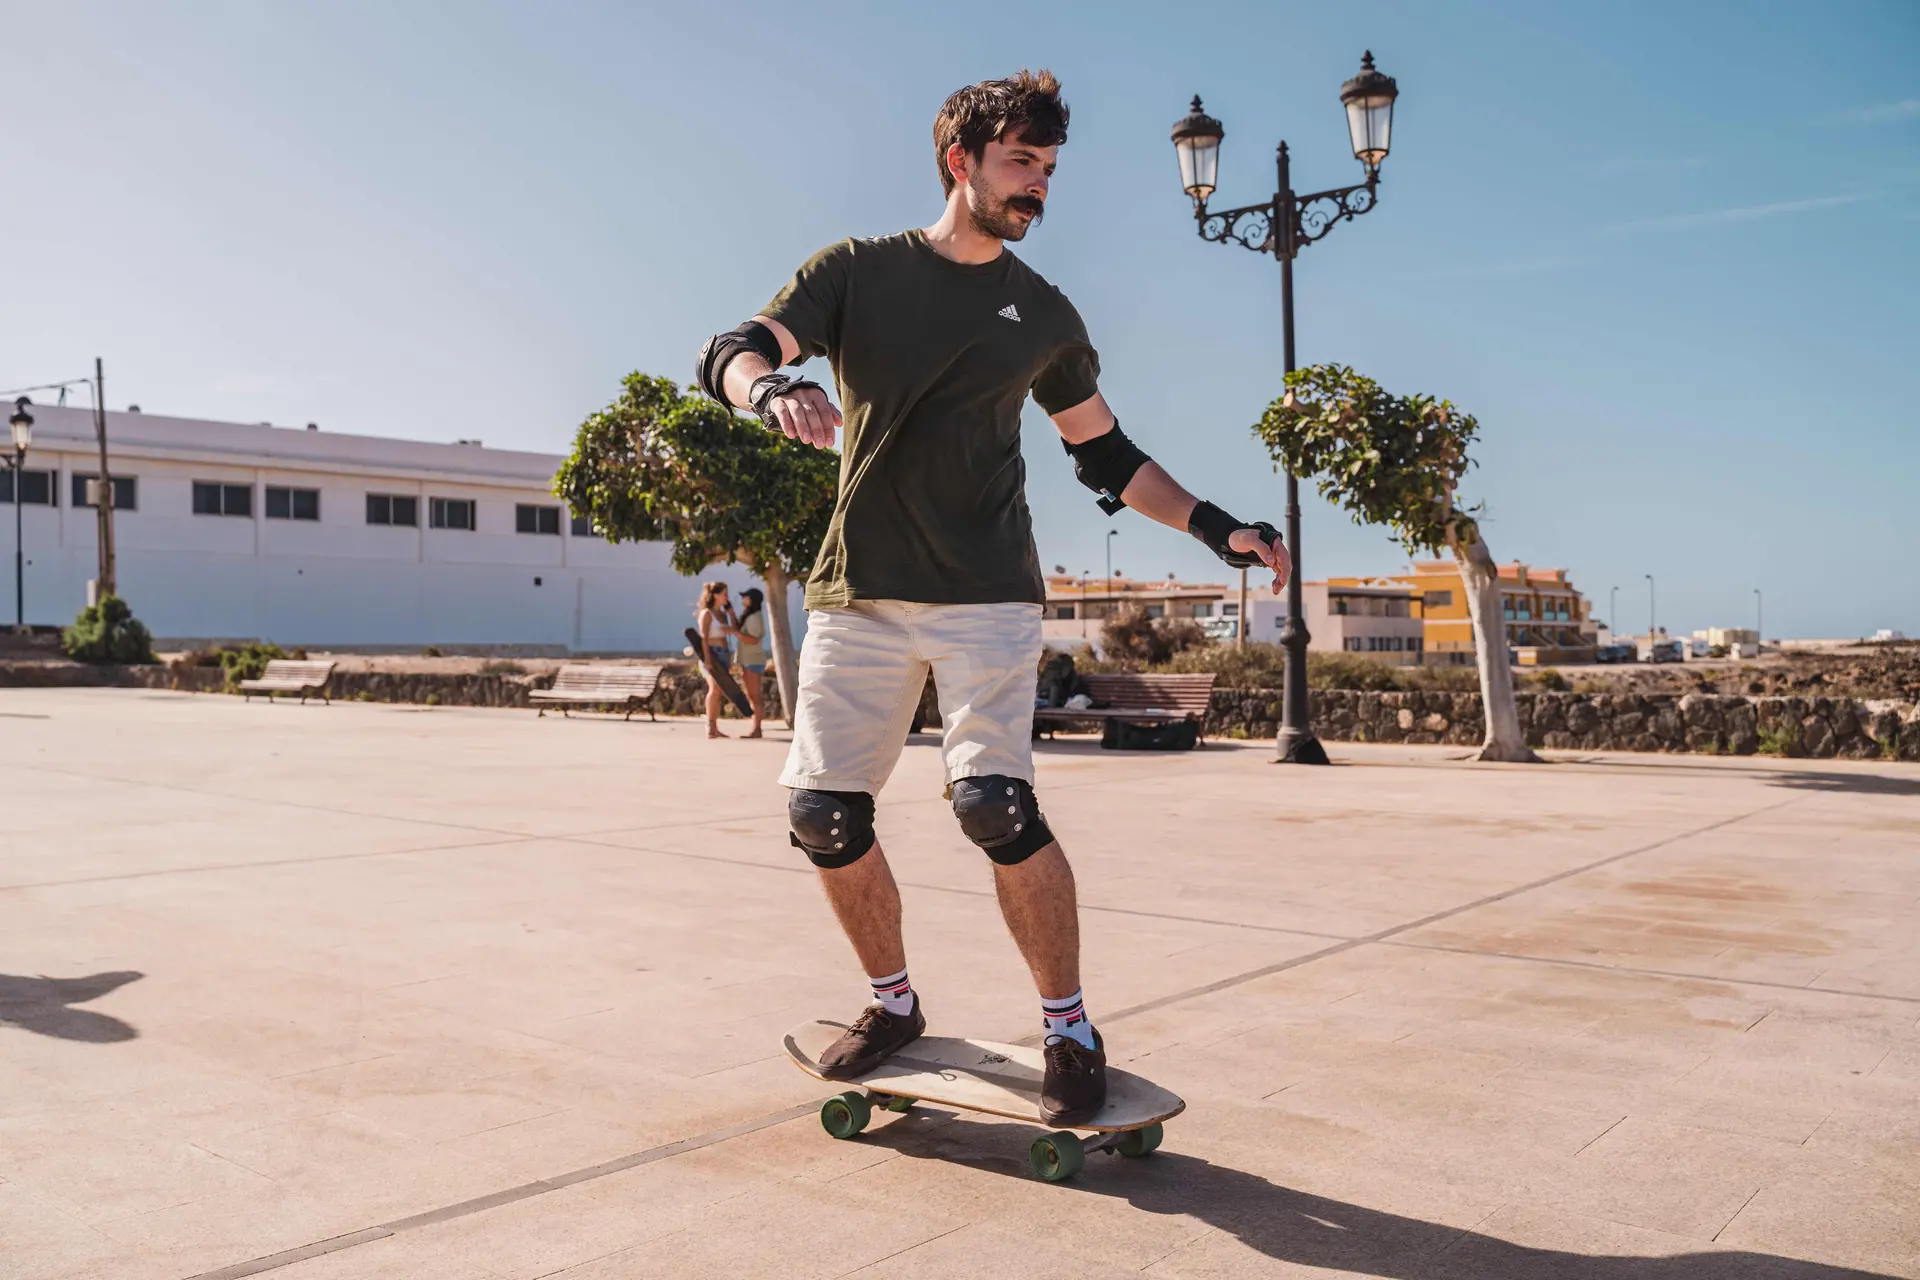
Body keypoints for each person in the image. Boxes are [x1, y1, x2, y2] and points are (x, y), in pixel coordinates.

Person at [693, 70, 1288, 1125]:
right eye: (1021, 161)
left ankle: (1069, 1027)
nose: (1039, 184)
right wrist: (774, 388)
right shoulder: (856, 272)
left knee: (994, 805)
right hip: (859, 590)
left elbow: (1106, 454)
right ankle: (894, 1006)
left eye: (1049, 167)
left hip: (987, 593)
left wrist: (1216, 528)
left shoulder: (1042, 313)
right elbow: (732, 353)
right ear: (958, 162)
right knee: (823, 814)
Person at [694, 581, 734, 739]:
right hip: (711, 654)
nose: (727, 597)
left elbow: (734, 630)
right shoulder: (706, 614)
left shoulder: (723, 615)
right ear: (715, 595)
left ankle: (715, 726)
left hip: (724, 654)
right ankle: (710, 726)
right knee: (714, 688)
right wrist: (707, 660)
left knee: (719, 691)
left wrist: (731, 613)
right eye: (724, 594)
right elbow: (703, 638)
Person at [731, 586, 770, 739]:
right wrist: (731, 613)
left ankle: (757, 729)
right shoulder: (751, 615)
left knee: (755, 696)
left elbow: (753, 639)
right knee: (753, 696)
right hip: (749, 660)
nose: (743, 599)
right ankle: (756, 728)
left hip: (752, 660)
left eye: (746, 597)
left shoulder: (754, 617)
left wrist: (735, 633)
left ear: (752, 600)